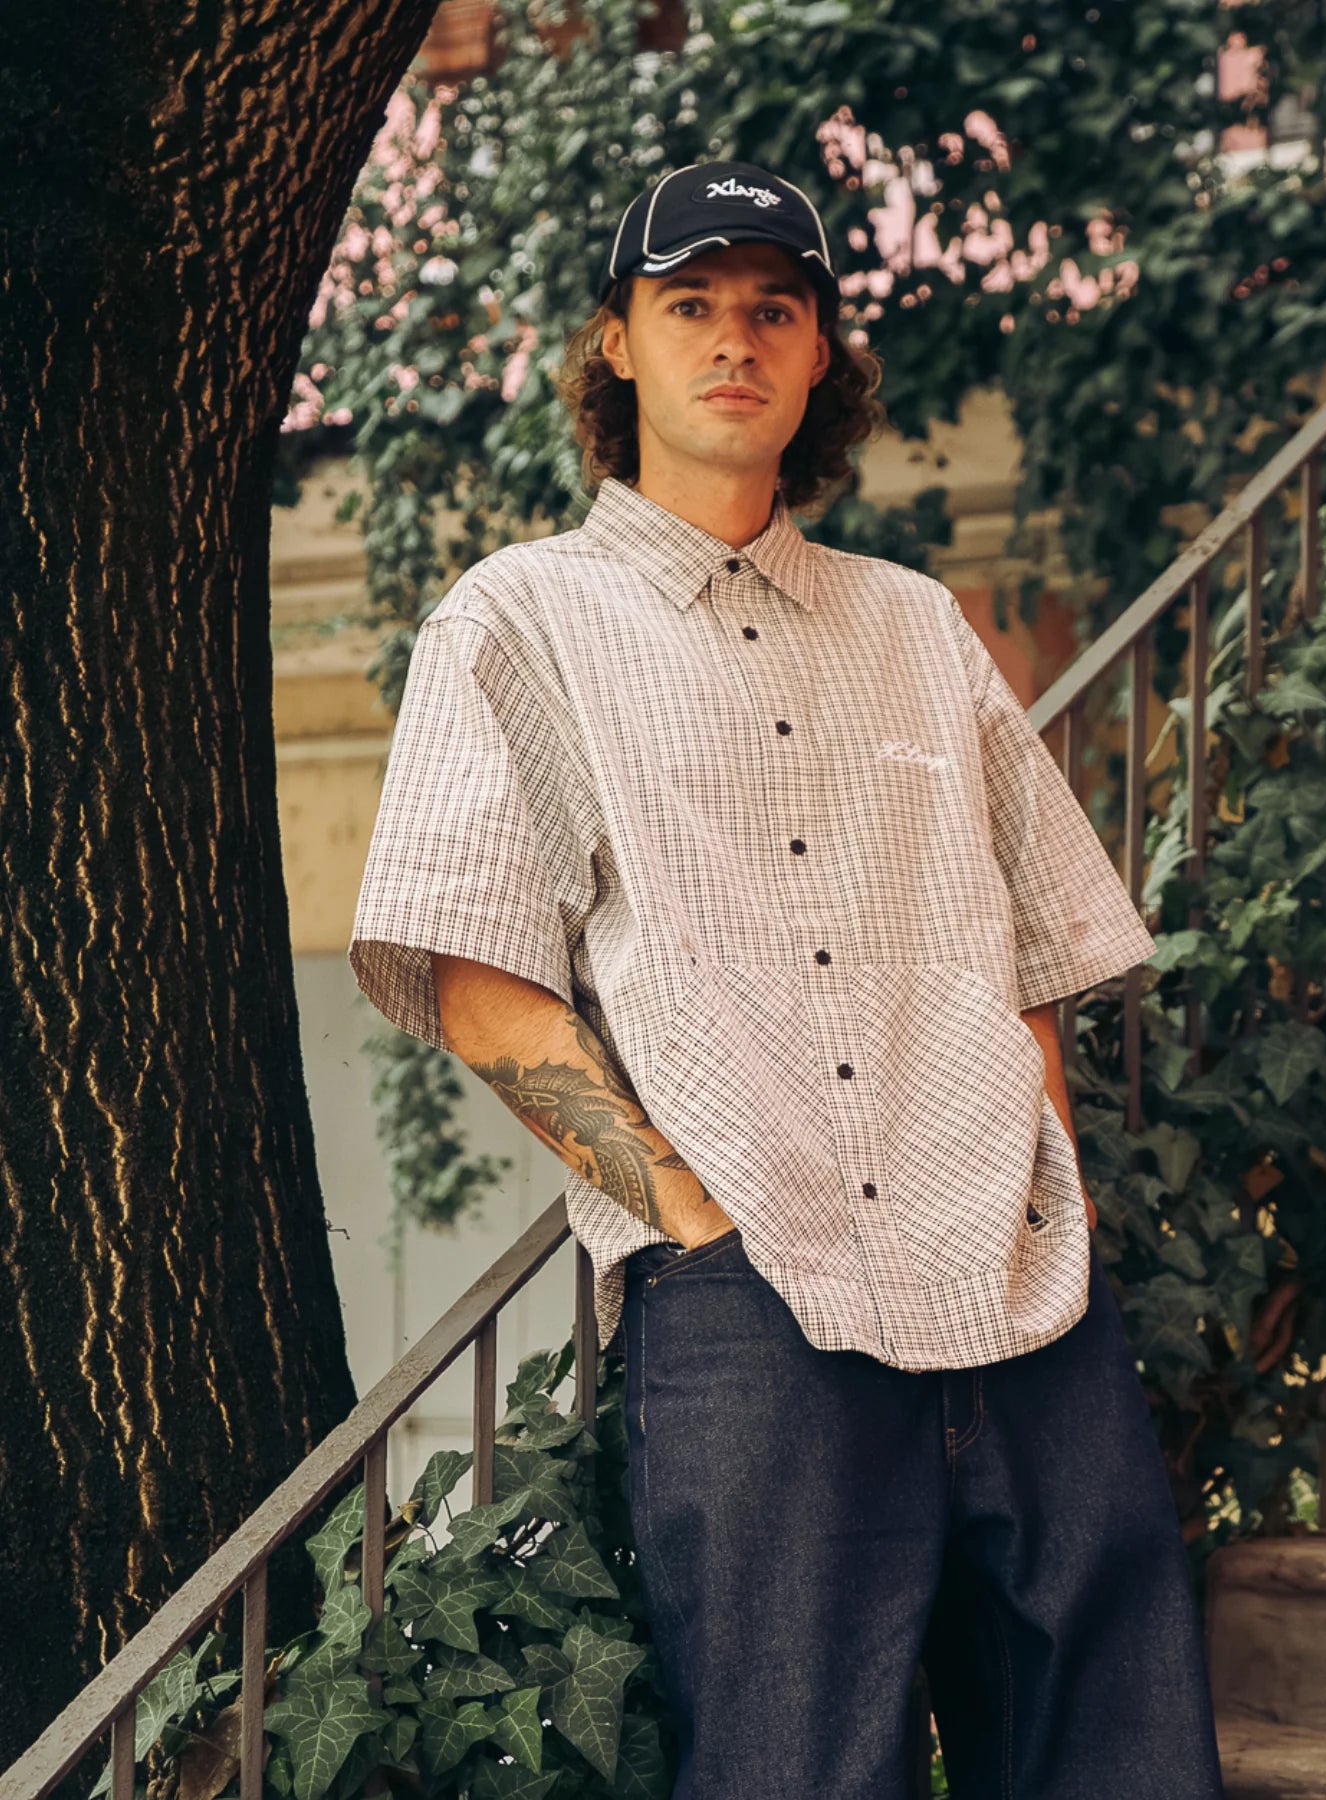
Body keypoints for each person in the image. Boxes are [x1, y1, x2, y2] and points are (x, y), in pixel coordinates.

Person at [348, 158, 1225, 1798]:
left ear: (821, 354)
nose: (733, 339)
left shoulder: (918, 625)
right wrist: (693, 1219)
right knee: (793, 1773)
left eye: (774, 308)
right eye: (689, 304)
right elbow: (476, 979)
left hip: (1018, 1282)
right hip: (757, 1301)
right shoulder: (518, 623)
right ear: (618, 344)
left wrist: (1048, 1165)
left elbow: (1034, 942)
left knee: (1122, 1755)